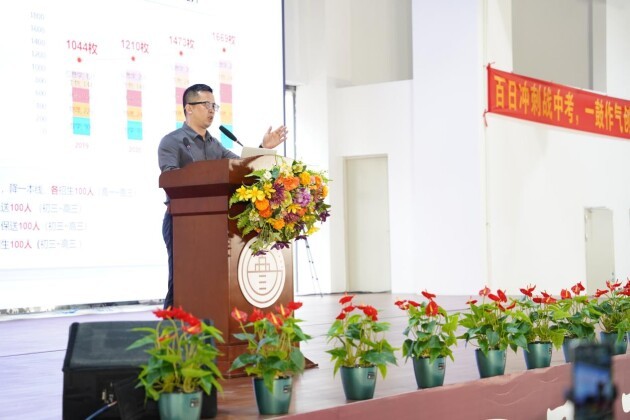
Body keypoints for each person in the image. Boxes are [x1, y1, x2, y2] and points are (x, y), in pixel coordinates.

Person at [158, 83, 287, 309]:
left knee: (210, 279)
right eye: (206, 104)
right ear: (189, 108)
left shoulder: (214, 144)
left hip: (215, 223)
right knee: (181, 279)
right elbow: (169, 179)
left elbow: (240, 167)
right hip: (181, 222)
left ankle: (206, 325)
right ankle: (169, 327)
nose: (211, 110)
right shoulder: (172, 141)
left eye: (214, 105)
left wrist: (263, 147)